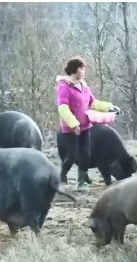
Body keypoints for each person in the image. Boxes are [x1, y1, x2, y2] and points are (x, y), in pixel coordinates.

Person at [55, 55, 121, 190]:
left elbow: (93, 102)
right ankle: (62, 177)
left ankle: (81, 182)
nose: (83, 71)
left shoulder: (84, 85)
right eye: (81, 68)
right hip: (70, 128)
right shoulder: (64, 86)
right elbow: (62, 108)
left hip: (85, 125)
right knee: (72, 155)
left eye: (84, 69)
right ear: (73, 70)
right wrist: (74, 124)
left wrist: (109, 107)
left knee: (85, 154)